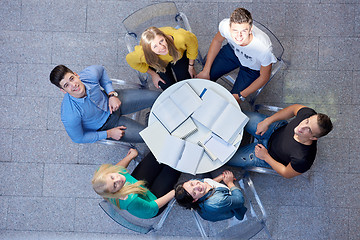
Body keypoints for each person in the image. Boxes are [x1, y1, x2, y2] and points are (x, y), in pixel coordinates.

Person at [49, 65, 160, 144]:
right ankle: (151, 120)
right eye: (67, 85)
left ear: (76, 75)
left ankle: (151, 116)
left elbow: (101, 70)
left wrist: (111, 94)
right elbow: (78, 138)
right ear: (63, 91)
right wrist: (108, 134)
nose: (74, 85)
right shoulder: (69, 115)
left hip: (113, 101)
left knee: (157, 97)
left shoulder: (89, 75)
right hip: (107, 126)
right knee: (151, 137)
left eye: (72, 78)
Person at [227, 104, 333, 178]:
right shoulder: (308, 114)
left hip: (268, 155)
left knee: (226, 158)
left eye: (308, 130)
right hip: (274, 129)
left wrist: (265, 157)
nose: (302, 126)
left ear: (313, 138)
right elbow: (293, 109)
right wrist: (268, 121)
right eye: (306, 121)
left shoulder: (303, 159)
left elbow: (286, 173)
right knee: (236, 115)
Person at [196, 8, 277, 104]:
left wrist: (241, 95)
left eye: (244, 31)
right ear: (229, 28)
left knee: (231, 103)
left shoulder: (263, 49)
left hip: (252, 68)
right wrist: (206, 70)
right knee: (204, 78)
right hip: (233, 52)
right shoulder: (225, 26)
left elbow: (264, 77)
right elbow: (217, 41)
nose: (239, 36)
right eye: (234, 30)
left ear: (251, 29)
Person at [92, 148, 181, 219]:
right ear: (114, 192)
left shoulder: (103, 174)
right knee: (175, 165)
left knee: (158, 153)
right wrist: (174, 191)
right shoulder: (130, 201)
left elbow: (117, 168)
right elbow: (152, 207)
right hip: (152, 202)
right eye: (115, 185)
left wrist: (130, 156)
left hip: (136, 186)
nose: (118, 179)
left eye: (112, 177)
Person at [126, 26, 198, 90]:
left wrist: (191, 66)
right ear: (149, 50)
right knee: (167, 87)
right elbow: (130, 60)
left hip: (177, 55)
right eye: (155, 46)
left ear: (165, 37)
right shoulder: (142, 55)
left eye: (161, 41)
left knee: (186, 80)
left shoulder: (181, 37)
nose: (162, 47)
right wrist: (153, 74)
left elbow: (193, 45)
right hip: (158, 62)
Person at [175, 170, 247, 222]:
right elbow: (240, 200)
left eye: (192, 184)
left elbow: (209, 182)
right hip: (228, 205)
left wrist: (221, 177)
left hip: (216, 206)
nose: (197, 186)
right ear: (195, 200)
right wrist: (229, 183)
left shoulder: (192, 183)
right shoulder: (217, 201)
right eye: (194, 192)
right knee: (237, 171)